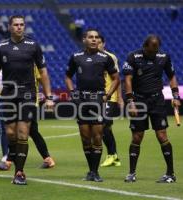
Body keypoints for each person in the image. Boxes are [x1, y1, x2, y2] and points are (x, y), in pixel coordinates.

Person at [0, 15, 54, 185]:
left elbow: (44, 73)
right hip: (8, 95)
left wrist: (49, 97)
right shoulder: (1, 46)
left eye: (22, 24)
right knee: (11, 134)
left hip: (28, 94)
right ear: (10, 27)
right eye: (16, 25)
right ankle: (13, 160)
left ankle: (19, 172)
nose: (19, 27)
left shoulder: (33, 45)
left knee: (23, 134)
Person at [123, 35, 181, 183]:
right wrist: (131, 101)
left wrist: (175, 96)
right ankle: (131, 173)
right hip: (139, 99)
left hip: (157, 100)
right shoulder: (133, 56)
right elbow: (128, 80)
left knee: (162, 136)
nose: (153, 54)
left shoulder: (164, 57)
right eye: (150, 51)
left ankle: (170, 173)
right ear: (145, 47)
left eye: (156, 51)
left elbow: (172, 76)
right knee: (137, 136)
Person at [65, 29, 120, 182]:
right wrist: (72, 92)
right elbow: (68, 76)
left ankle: (95, 172)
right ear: (84, 40)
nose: (94, 40)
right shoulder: (76, 57)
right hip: (81, 99)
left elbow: (116, 79)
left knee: (97, 136)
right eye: (91, 37)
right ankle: (90, 171)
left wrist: (108, 96)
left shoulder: (105, 58)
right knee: (85, 138)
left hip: (98, 99)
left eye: (96, 37)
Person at [0, 66, 55, 170]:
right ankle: (47, 159)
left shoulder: (33, 65)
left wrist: (46, 97)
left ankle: (9, 162)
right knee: (30, 132)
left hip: (29, 102)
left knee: (30, 131)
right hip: (19, 100)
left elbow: (41, 79)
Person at [97, 35, 123, 167]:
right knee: (106, 128)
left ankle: (111, 155)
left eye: (100, 42)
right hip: (97, 98)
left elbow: (117, 79)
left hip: (109, 97)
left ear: (104, 44)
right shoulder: (91, 58)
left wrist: (119, 98)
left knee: (103, 126)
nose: (97, 44)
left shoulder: (110, 57)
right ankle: (114, 156)